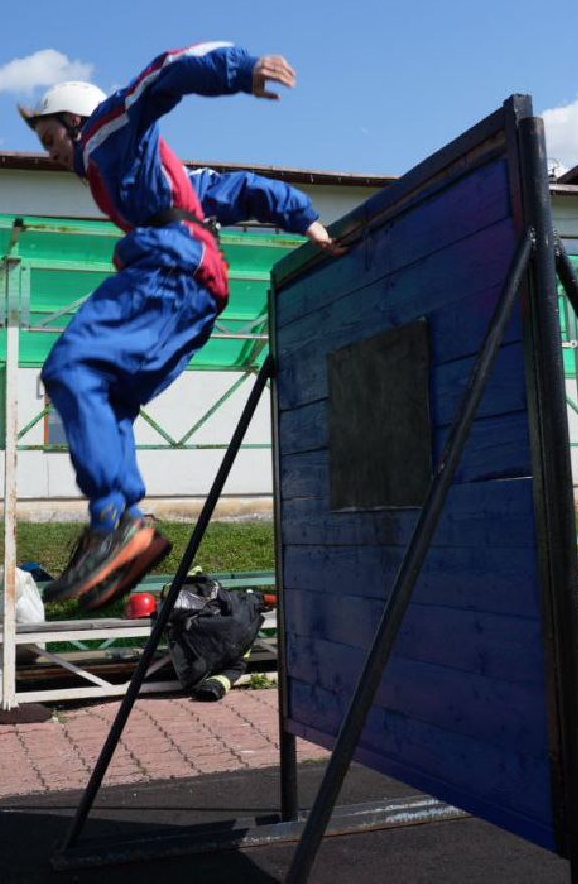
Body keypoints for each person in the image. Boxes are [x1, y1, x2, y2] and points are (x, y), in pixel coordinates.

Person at [21, 43, 342, 611]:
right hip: (201, 287)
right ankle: (125, 522)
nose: (49, 154)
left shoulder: (105, 131)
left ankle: (111, 519)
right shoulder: (167, 175)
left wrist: (240, 69)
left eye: (49, 139)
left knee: (71, 368)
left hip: (171, 268)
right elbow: (236, 189)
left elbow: (163, 73)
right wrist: (304, 217)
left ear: (74, 122)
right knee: (109, 396)